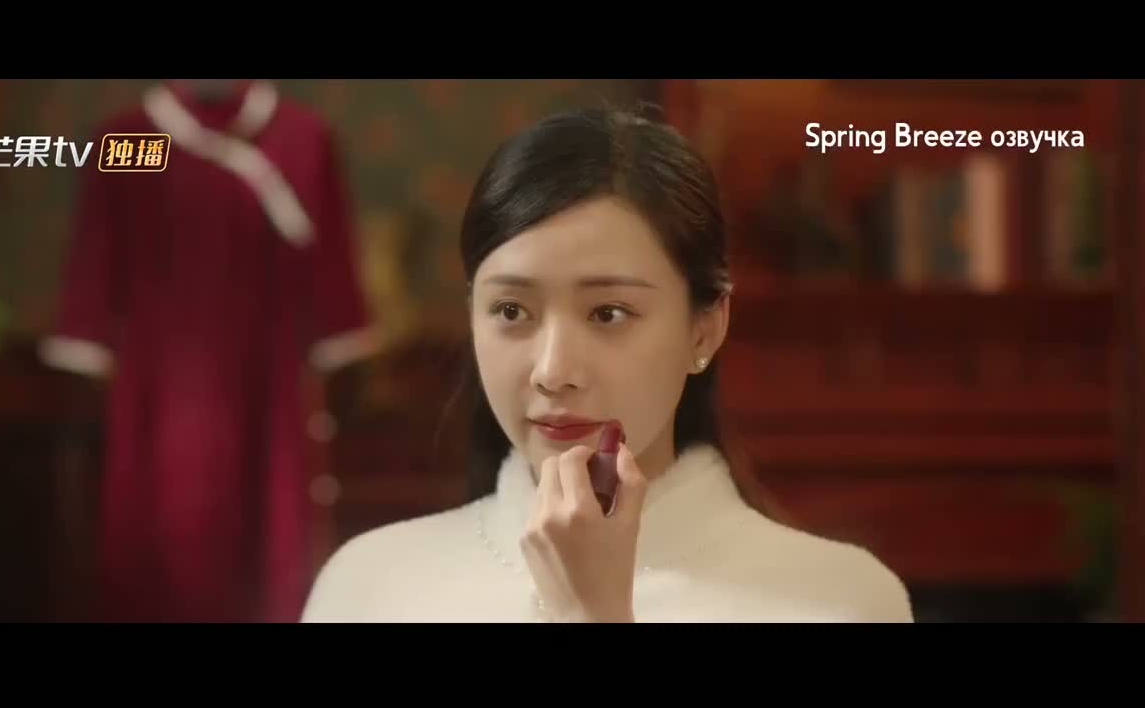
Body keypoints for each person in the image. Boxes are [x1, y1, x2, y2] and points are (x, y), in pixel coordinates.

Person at [299, 104, 914, 623]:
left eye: (608, 313)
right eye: (511, 310)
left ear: (705, 326)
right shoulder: (370, 586)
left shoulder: (840, 601)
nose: (553, 371)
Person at [44, 79, 376, 623]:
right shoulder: (129, 141)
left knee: (271, 542)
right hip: (156, 391)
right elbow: (97, 259)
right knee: (159, 545)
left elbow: (332, 279)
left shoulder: (301, 139)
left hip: (270, 389)